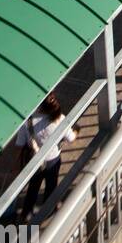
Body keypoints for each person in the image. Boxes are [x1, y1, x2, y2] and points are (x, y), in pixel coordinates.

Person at [14, 93, 76, 221]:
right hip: (53, 160)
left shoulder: (28, 121)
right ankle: (48, 210)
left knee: (33, 187)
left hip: (35, 161)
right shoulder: (60, 118)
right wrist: (77, 130)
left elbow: (20, 144)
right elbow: (71, 138)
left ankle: (26, 214)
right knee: (51, 185)